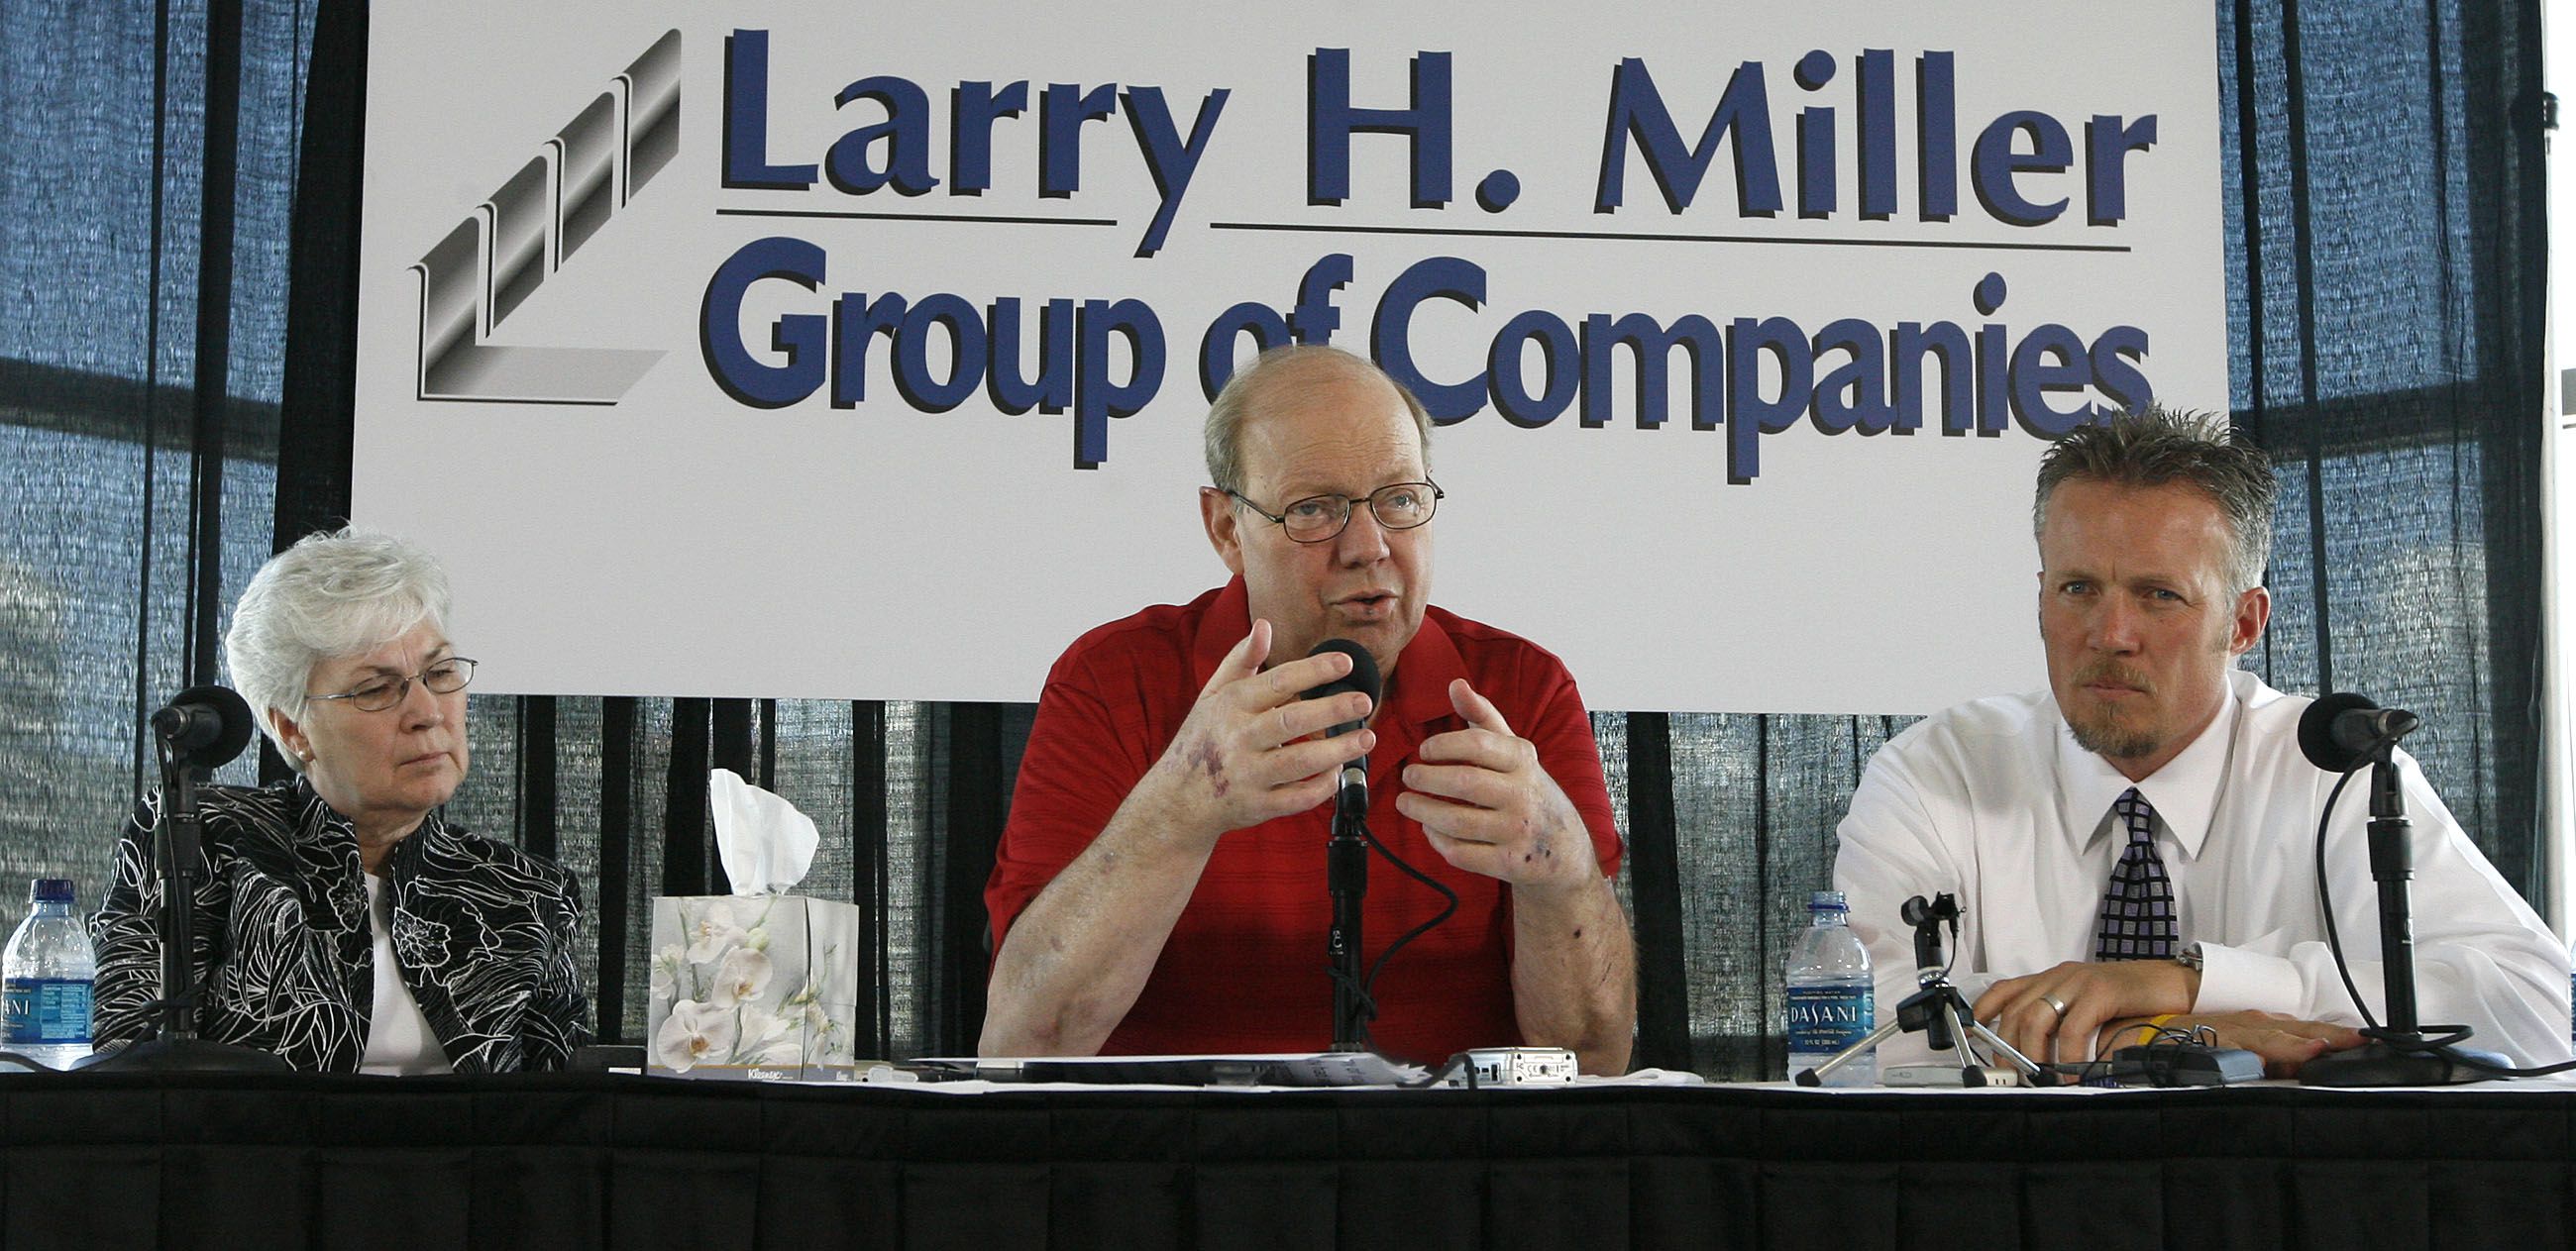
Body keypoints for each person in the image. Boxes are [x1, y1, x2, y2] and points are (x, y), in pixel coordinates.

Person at [1834, 407, 2569, 1077]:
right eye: (2079, 589)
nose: (2111, 636)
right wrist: (2181, 1030)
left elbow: (2537, 1008)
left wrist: (2188, 978)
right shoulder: (1938, 771)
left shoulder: (2333, 771)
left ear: (2244, 623)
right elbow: (1854, 1024)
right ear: (2040, 595)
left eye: (2159, 595)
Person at [981, 345, 1636, 1072]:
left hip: (1445, 1171)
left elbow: (1594, 1060)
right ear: (1227, 528)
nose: (1368, 546)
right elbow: (1020, 1043)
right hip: (1168, 1167)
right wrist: (1178, 810)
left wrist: (1565, 872)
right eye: (1314, 509)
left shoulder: (1518, 692)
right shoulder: (1113, 681)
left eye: (1399, 499)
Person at [91, 528, 590, 1073]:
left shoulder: (522, 891)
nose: (427, 711)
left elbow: (565, 1106)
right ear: (294, 729)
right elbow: (128, 1060)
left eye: (440, 672)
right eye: (377, 688)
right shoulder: (209, 836)